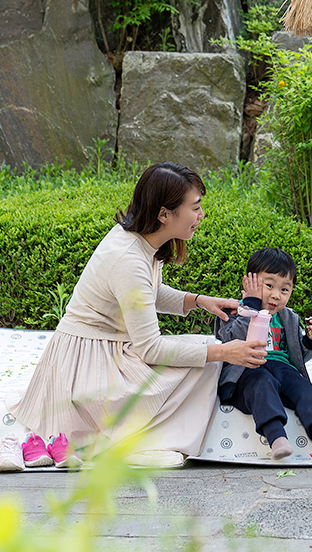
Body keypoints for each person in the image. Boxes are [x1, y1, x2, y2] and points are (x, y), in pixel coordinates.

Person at [7, 162, 266, 467]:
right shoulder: (129, 258)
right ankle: (140, 443)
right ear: (164, 214)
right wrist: (224, 352)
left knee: (204, 352)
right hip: (87, 367)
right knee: (207, 362)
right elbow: (151, 348)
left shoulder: (139, 240)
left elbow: (147, 293)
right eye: (195, 208)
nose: (201, 215)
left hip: (99, 351)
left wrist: (199, 300)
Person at [215, 247, 312, 460]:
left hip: (283, 369)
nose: (276, 295)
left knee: (305, 389)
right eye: (269, 286)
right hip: (248, 371)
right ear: (249, 283)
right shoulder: (233, 310)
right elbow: (231, 340)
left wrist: (310, 340)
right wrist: (251, 307)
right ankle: (277, 438)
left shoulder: (289, 318)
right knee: (262, 383)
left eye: (285, 290)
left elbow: (297, 355)